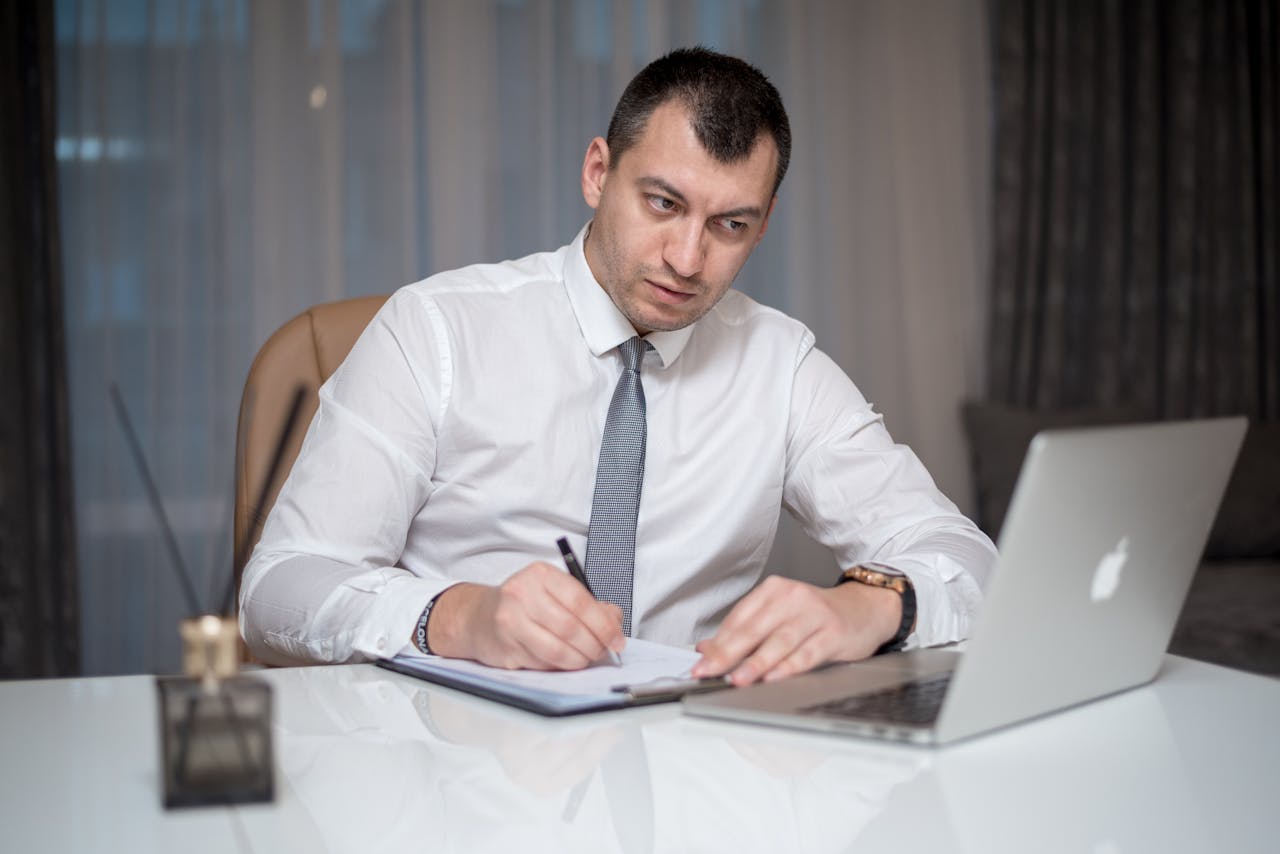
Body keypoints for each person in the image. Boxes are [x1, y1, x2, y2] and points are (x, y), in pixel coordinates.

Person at [240, 47, 997, 687]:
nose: (687, 259)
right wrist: (462, 616)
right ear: (598, 173)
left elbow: (970, 561)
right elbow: (278, 591)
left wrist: (869, 606)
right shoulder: (436, 330)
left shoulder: (781, 366)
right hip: (456, 764)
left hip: (690, 772)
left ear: (761, 228)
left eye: (728, 225)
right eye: (663, 203)